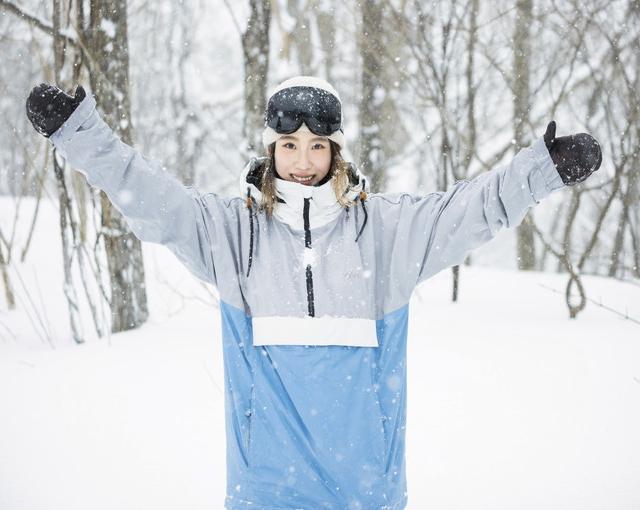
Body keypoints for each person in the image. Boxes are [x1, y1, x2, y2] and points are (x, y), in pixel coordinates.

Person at [26, 76, 602, 510]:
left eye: (318, 146)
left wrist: (543, 170)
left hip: (367, 489)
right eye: (290, 145)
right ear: (270, 150)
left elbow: (473, 208)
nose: (303, 161)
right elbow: (147, 191)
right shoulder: (233, 234)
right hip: (265, 490)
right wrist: (78, 133)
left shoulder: (385, 234)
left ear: (337, 151)